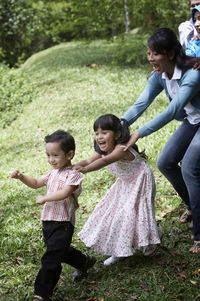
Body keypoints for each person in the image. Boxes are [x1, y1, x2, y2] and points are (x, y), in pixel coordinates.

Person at [123, 28, 200, 254]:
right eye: (148, 53)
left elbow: (172, 110)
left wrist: (139, 133)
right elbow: (142, 102)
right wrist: (123, 122)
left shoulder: (192, 75)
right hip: (193, 120)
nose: (150, 58)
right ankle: (193, 206)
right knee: (165, 162)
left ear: (169, 54)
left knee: (189, 167)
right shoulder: (160, 76)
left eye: (155, 54)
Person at [10, 130, 96, 301]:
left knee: (51, 257)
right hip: (48, 221)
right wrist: (21, 177)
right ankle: (83, 262)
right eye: (48, 155)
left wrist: (45, 198)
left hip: (63, 222)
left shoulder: (74, 175)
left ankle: (41, 293)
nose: (51, 159)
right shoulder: (52, 174)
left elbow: (64, 193)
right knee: (60, 252)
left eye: (55, 155)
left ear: (70, 154)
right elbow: (35, 183)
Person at [73, 114, 161, 266]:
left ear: (118, 134)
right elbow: (88, 160)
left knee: (135, 213)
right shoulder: (104, 151)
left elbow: (105, 161)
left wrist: (86, 170)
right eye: (97, 133)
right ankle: (118, 250)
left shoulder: (120, 149)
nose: (99, 137)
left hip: (141, 180)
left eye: (104, 133)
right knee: (113, 213)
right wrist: (71, 167)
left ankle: (153, 237)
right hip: (125, 183)